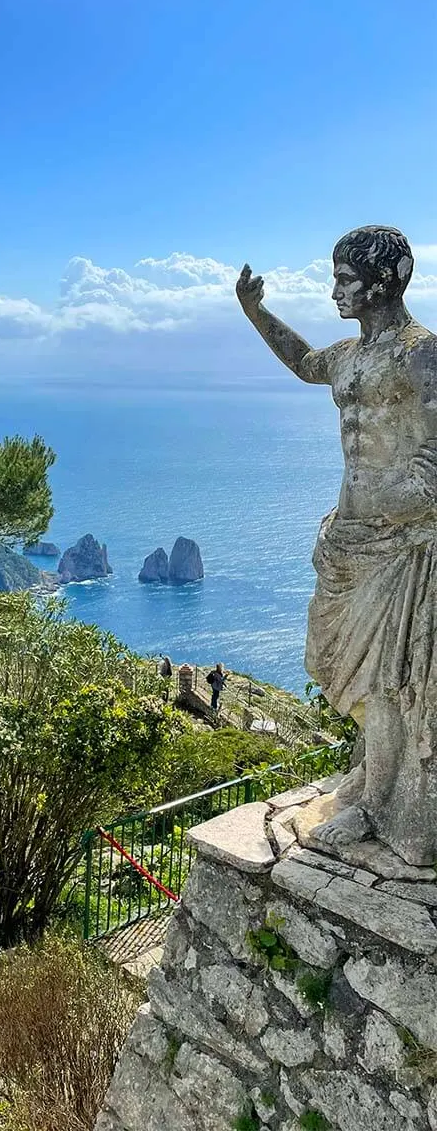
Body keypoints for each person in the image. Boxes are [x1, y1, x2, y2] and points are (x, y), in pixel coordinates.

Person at [236, 226, 436, 866]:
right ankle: (372, 781)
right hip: (351, 544)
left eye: (345, 279)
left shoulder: (421, 355)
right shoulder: (351, 356)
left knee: (392, 675)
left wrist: (373, 503)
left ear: (385, 280)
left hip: (403, 546)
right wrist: (257, 314)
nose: (334, 292)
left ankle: (383, 802)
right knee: (332, 656)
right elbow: (302, 363)